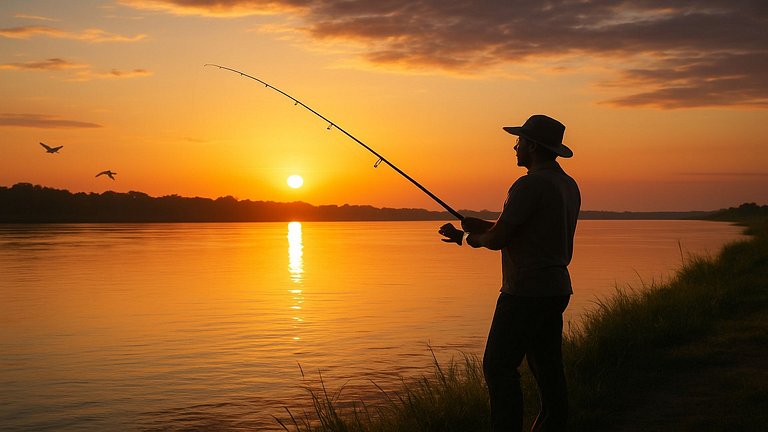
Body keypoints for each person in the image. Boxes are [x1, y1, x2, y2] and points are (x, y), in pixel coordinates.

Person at [439, 114, 580, 432]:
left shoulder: (529, 184)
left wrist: (470, 238)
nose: (515, 147)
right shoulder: (566, 184)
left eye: (519, 141)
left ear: (531, 145)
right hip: (555, 289)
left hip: (525, 291)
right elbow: (524, 230)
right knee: (547, 368)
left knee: (498, 367)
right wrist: (478, 229)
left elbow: (499, 239)